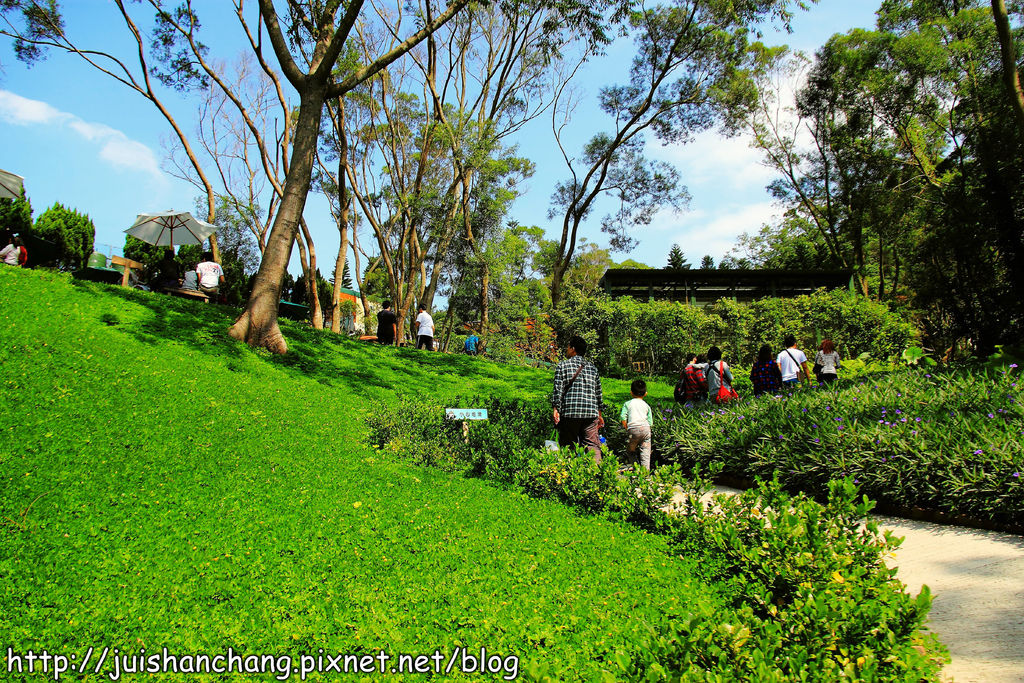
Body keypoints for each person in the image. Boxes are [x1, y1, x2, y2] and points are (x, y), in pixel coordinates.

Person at [551, 335, 604, 463]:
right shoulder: (592, 368)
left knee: (569, 445)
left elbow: (558, 390)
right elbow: (598, 394)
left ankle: (570, 474)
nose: (566, 350)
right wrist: (599, 414)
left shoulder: (562, 366)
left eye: (568, 347)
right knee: (592, 445)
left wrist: (555, 408)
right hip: (590, 413)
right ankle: (597, 474)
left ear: (573, 349)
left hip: (570, 412)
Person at [620, 379, 653, 470]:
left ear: (631, 392)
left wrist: (626, 427)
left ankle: (636, 467)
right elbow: (650, 422)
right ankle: (645, 472)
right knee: (645, 451)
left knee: (630, 450)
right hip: (646, 429)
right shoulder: (646, 405)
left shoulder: (628, 404)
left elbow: (623, 417)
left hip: (633, 429)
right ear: (645, 393)